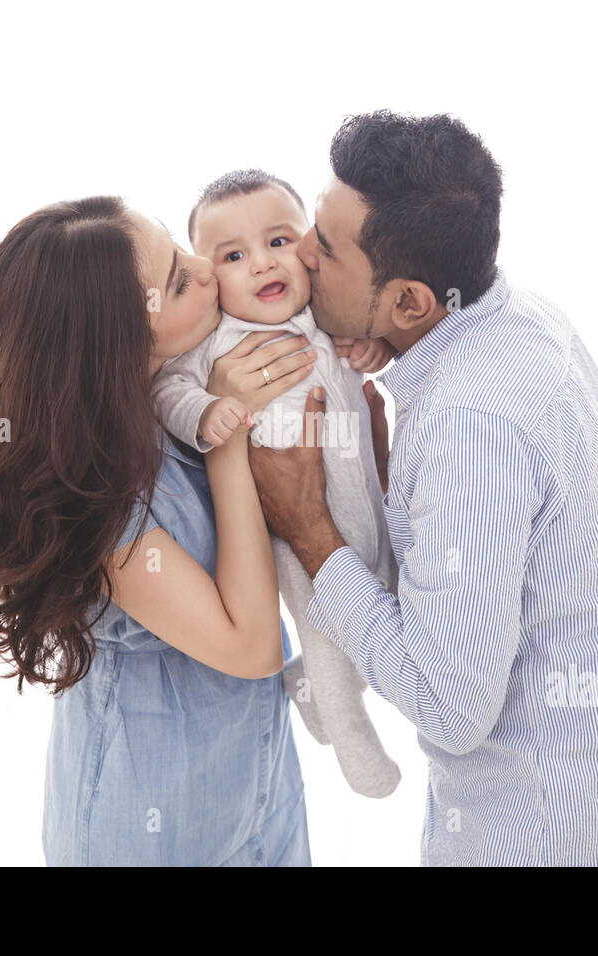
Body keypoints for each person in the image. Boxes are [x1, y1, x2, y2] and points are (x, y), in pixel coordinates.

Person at [247, 111, 598, 866]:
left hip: (534, 840)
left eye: (328, 247)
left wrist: (310, 529)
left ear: (411, 302)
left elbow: (451, 707)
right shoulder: (521, 321)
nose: (302, 253)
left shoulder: (469, 425)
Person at [0, 195, 317, 865]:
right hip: (148, 830)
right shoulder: (99, 502)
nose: (208, 269)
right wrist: (226, 436)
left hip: (260, 793)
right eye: (180, 279)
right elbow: (252, 648)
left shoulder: (172, 399)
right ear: (121, 338)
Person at [151, 168, 402, 798]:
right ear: (210, 280)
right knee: (330, 635)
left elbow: (364, 354)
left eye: (279, 241)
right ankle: (350, 735)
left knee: (390, 615)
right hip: (293, 532)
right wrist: (209, 412)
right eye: (233, 256)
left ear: (310, 246)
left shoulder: (324, 318)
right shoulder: (212, 346)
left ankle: (308, 689)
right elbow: (166, 393)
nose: (262, 263)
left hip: (366, 507)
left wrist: (370, 348)